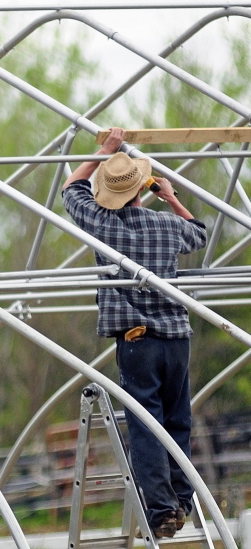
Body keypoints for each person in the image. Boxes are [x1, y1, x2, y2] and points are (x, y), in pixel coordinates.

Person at [62, 127, 207, 538]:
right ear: (144, 189)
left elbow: (71, 189)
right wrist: (172, 196)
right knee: (178, 419)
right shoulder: (165, 224)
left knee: (147, 424)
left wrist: (101, 153)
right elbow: (198, 232)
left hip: (137, 339)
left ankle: (162, 510)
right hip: (177, 337)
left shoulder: (101, 222)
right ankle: (182, 500)